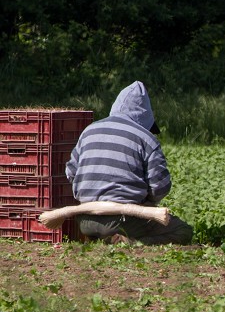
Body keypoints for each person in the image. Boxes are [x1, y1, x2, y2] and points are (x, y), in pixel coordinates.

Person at [65, 80, 193, 245]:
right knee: (182, 230)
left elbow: (71, 172)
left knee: (103, 226)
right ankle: (129, 241)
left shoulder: (89, 131)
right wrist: (147, 203)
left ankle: (98, 237)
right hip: (124, 221)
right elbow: (160, 187)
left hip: (84, 219)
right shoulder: (146, 139)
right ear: (145, 118)